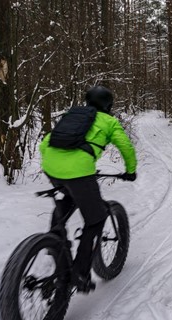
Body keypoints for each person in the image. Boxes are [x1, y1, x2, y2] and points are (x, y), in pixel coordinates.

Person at [39, 85, 137, 292]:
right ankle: (80, 274)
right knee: (96, 218)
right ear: (108, 105)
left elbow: (45, 142)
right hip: (80, 172)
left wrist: (57, 164)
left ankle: (55, 241)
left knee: (66, 198)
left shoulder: (72, 115)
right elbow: (125, 146)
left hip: (51, 167)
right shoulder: (109, 121)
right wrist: (130, 170)